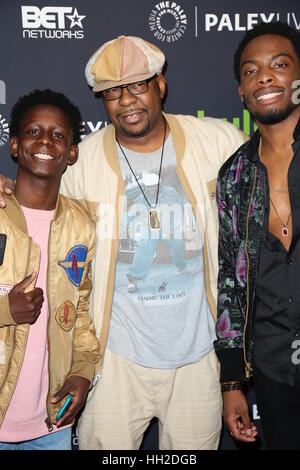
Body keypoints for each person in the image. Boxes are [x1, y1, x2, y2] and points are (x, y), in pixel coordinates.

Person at [0, 36, 247, 450]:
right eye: (113, 91)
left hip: (198, 359)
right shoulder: (81, 161)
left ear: (160, 85)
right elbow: (34, 195)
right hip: (114, 362)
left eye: (138, 85)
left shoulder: (219, 141)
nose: (127, 100)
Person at [214, 22, 300, 449]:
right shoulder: (234, 176)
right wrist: (232, 381)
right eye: (251, 72)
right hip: (273, 368)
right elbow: (230, 279)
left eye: (279, 65)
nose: (264, 77)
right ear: (241, 94)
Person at [0, 89, 100, 450]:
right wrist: (5, 311)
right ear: (14, 145)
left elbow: (81, 313)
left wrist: (82, 372)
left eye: (58, 135)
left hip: (50, 426)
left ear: (72, 153)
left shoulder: (81, 225)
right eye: (33, 131)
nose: (45, 140)